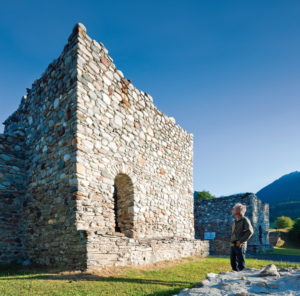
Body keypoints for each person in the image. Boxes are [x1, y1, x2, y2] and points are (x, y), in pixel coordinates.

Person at [230, 203, 254, 271]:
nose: (232, 210)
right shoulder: (234, 222)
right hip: (233, 244)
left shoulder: (245, 220)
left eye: (234, 209)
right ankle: (233, 278)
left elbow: (250, 231)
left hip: (240, 245)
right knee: (233, 264)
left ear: (238, 211)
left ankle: (241, 278)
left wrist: (240, 241)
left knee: (241, 264)